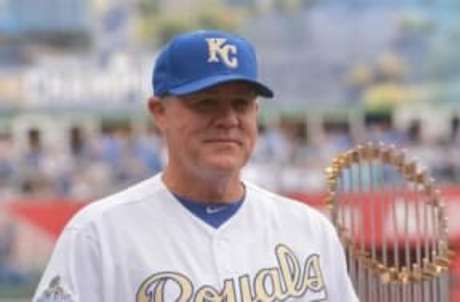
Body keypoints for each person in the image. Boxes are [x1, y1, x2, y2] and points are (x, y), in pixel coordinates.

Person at [33, 30, 358, 302]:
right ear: (159, 111)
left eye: (241, 104)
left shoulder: (309, 230)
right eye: (206, 103)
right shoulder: (98, 235)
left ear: (256, 112)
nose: (228, 120)